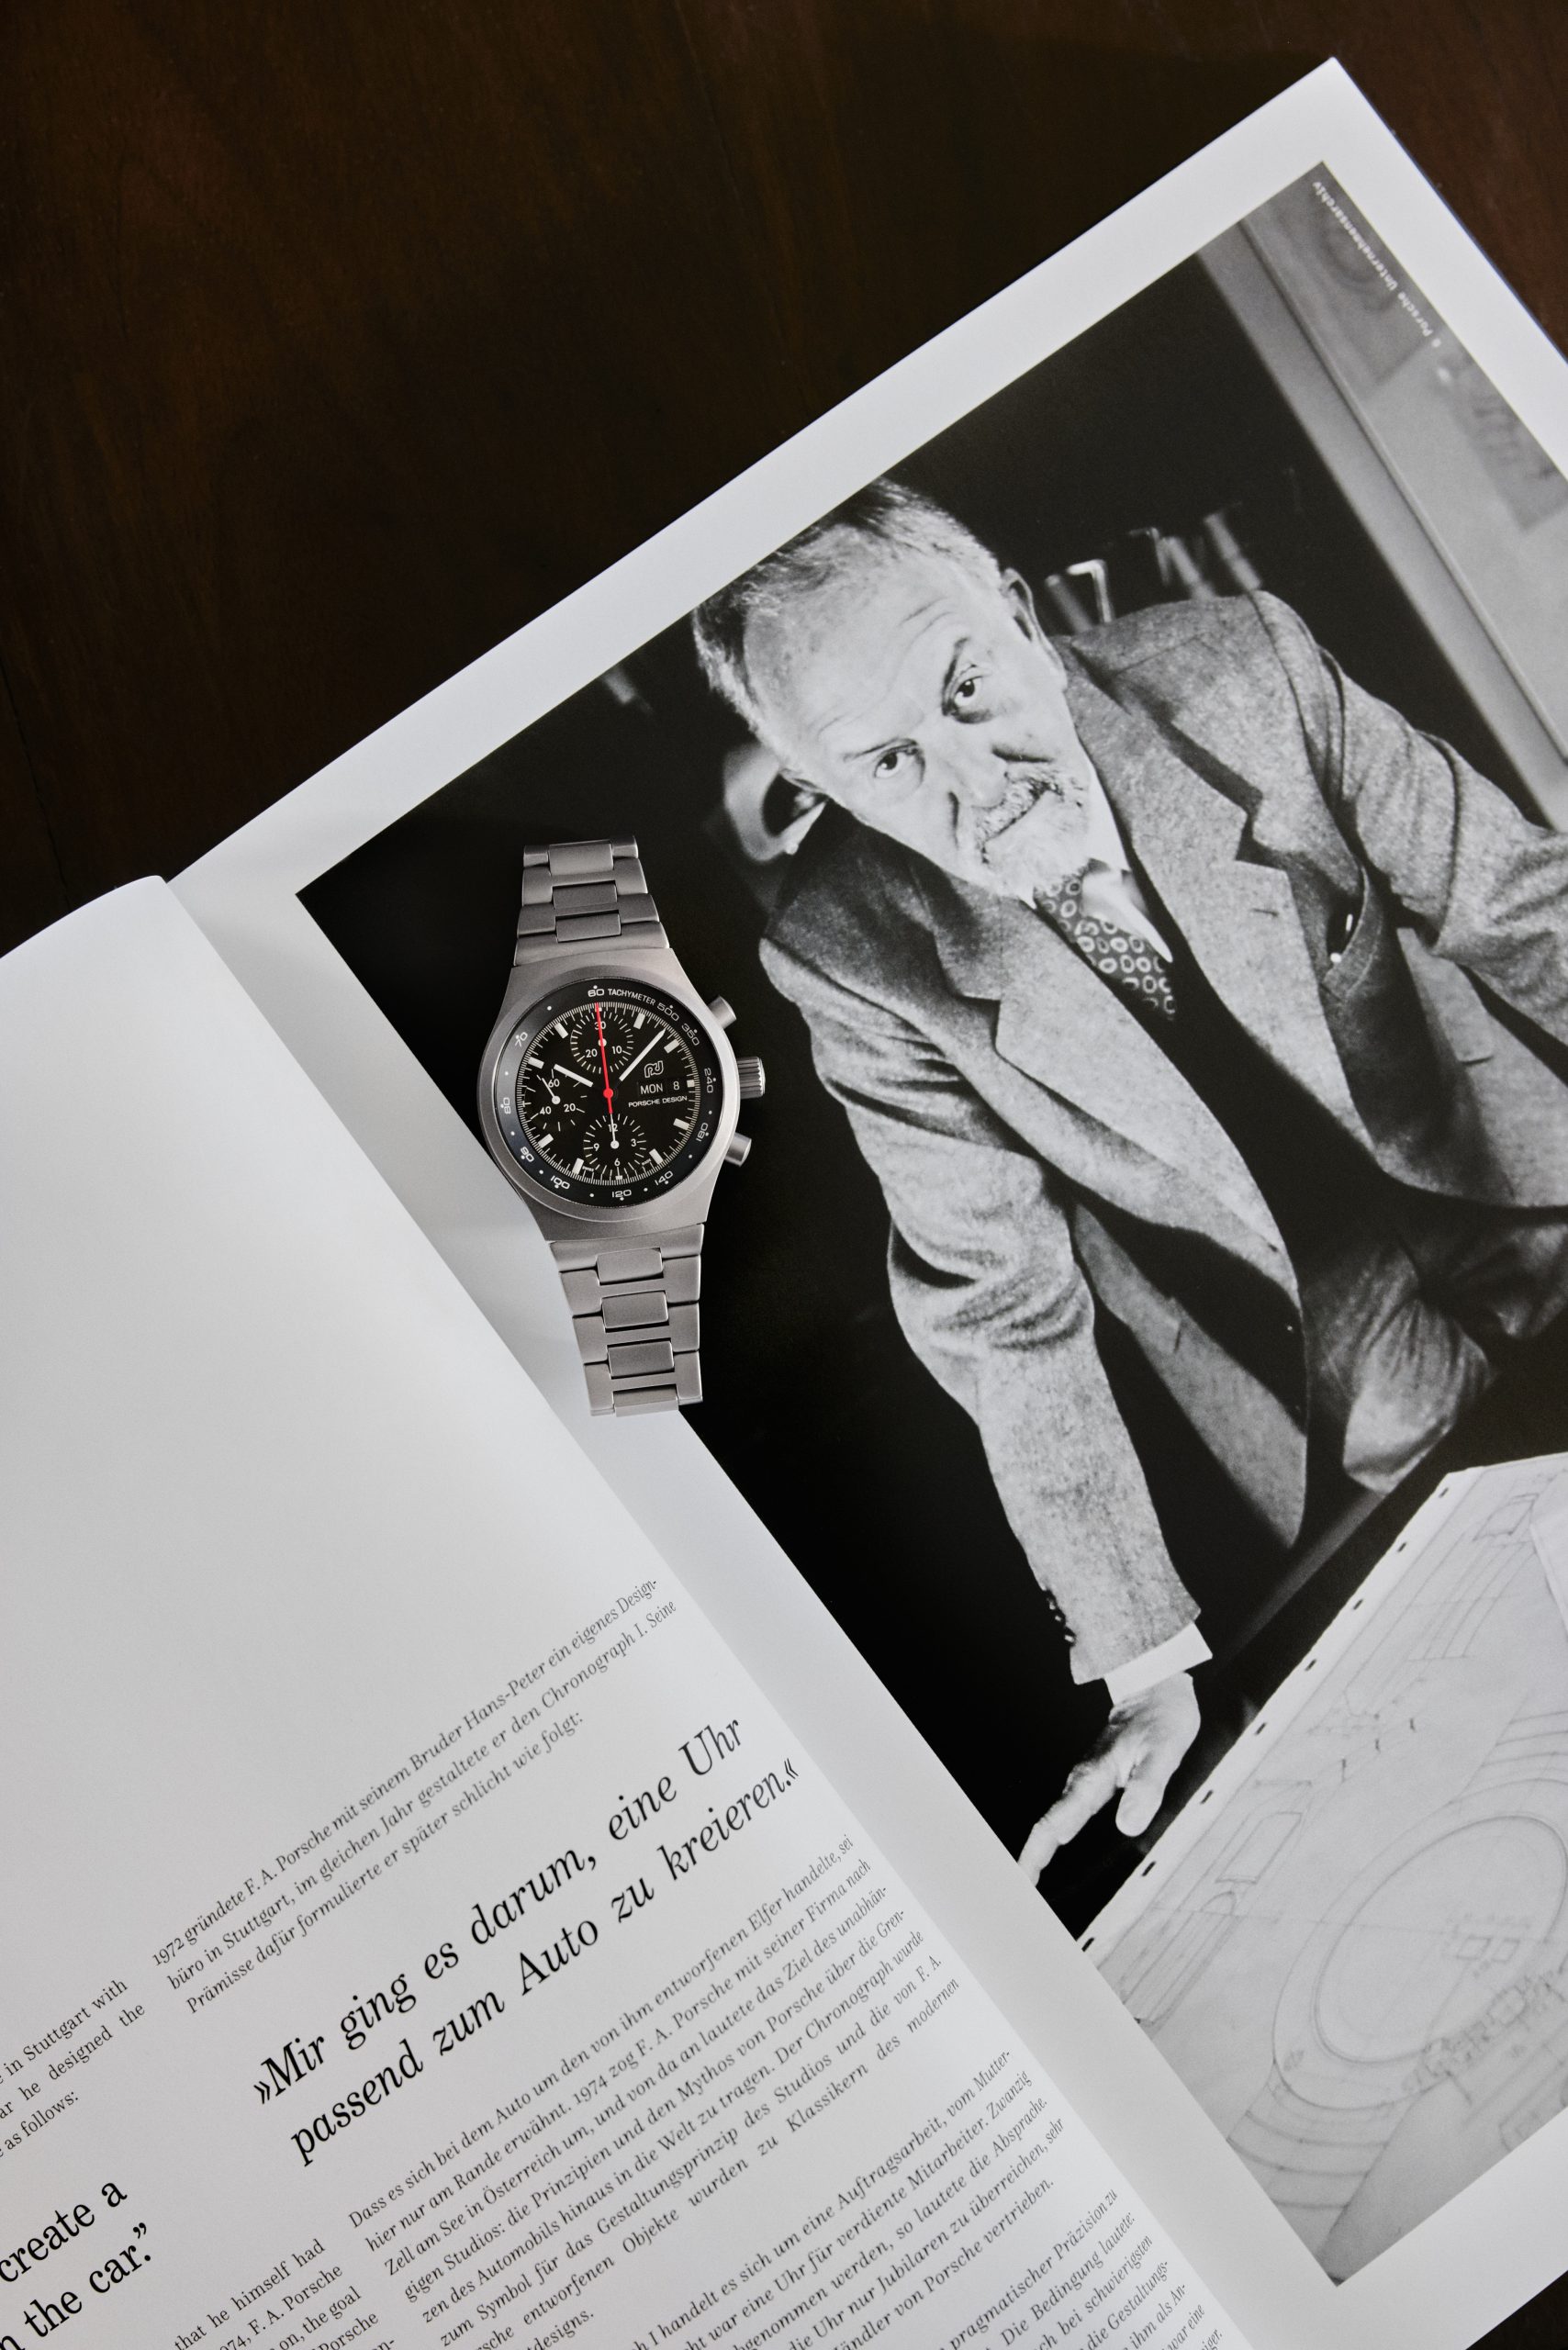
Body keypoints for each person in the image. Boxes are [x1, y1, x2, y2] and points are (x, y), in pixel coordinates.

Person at [690, 478, 1568, 1880]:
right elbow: (998, 1307)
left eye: (967, 689)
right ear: (828, 790)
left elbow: (1526, 908)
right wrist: (1144, 1662)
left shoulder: (1242, 670)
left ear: (1021, 619)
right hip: (1307, 1325)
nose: (977, 782)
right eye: (890, 764)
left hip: (1504, 1164)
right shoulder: (848, 955)